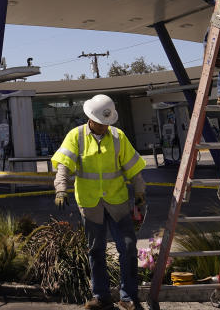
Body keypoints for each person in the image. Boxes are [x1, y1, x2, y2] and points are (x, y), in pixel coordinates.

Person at [52, 94, 146, 310]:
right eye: (101, 123)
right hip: (91, 204)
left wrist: (140, 191)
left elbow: (134, 168)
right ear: (90, 119)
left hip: (117, 203)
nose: (105, 127)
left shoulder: (118, 136)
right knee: (95, 251)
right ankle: (101, 297)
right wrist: (60, 190)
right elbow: (63, 166)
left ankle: (128, 297)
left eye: (108, 123)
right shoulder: (76, 136)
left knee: (128, 248)